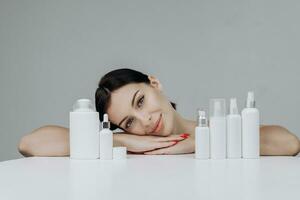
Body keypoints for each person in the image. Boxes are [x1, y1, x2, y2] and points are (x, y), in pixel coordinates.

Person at [18, 68, 300, 156]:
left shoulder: (217, 131)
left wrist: (199, 140)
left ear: (155, 84)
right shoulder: (131, 144)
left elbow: (289, 143)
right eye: (128, 122)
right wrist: (121, 140)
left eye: (140, 101)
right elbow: (30, 144)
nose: (145, 121)